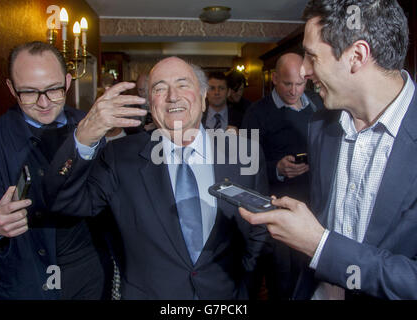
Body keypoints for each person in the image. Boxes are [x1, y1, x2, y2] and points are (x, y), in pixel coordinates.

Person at [45, 56, 269, 299]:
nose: (173, 96)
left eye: (183, 84)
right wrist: (84, 137)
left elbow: (260, 228)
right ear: (151, 105)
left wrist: (245, 286)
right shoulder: (119, 157)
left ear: (203, 97)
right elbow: (62, 202)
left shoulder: (242, 153)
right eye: (160, 88)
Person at [240, 0, 417, 300]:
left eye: (311, 56)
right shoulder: (321, 124)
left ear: (357, 56)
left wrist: (320, 245)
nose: (304, 70)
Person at [0, 41, 110, 299]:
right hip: (24, 283)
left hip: (89, 277)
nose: (44, 103)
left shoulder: (89, 126)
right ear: (12, 88)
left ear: (68, 82)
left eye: (54, 89)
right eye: (29, 92)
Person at [242, 52, 323, 204]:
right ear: (275, 79)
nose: (294, 91)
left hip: (316, 199)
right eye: (287, 83)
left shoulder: (318, 103)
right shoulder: (255, 113)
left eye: (299, 84)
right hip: (278, 200)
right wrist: (276, 169)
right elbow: (246, 164)